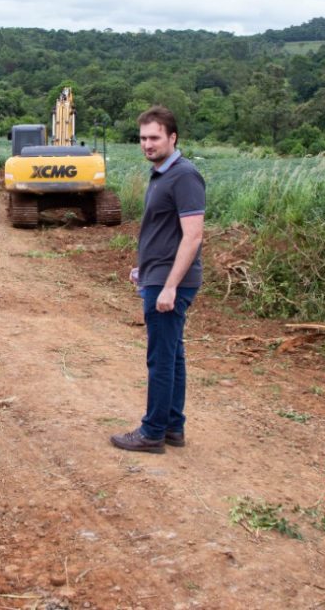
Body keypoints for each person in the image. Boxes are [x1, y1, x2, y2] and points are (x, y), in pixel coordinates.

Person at [111, 105, 205, 453]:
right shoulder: (162, 174)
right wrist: (145, 269)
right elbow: (162, 231)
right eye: (143, 138)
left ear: (172, 137)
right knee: (172, 355)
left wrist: (168, 286)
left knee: (161, 359)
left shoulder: (184, 176)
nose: (147, 144)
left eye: (154, 137)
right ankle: (172, 428)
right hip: (158, 275)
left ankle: (152, 433)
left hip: (171, 281)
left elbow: (193, 236)